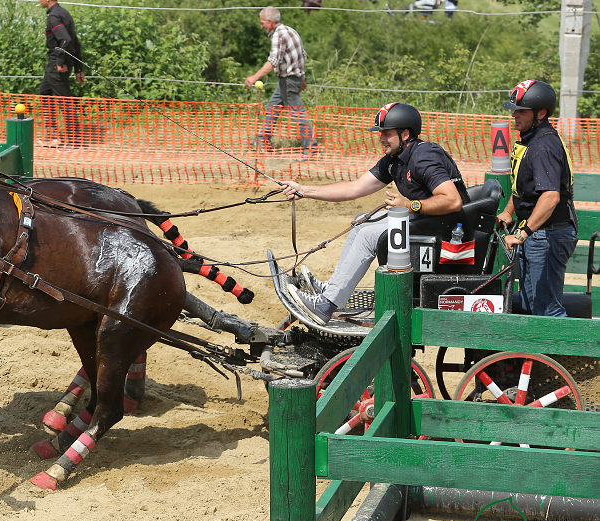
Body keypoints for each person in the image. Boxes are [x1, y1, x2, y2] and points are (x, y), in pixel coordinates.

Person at [281, 103, 469, 324]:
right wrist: (304, 190)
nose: (381, 139)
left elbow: (453, 201)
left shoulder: (424, 157)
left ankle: (325, 306)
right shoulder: (395, 159)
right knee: (362, 221)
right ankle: (333, 290)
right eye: (381, 134)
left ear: (405, 134)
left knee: (369, 235)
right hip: (427, 223)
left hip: (447, 233)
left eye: (387, 134)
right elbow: (354, 188)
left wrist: (410, 205)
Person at [496, 80, 577, 317]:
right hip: (538, 232)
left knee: (546, 310)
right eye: (514, 110)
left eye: (522, 110)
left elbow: (550, 197)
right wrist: (509, 212)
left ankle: (565, 355)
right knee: (533, 306)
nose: (515, 115)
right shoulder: (531, 140)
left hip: (548, 234)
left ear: (541, 113)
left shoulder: (544, 146)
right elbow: (525, 187)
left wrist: (522, 233)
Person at [244, 6, 318, 160]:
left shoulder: (279, 34)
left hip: (289, 80)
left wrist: (254, 77)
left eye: (263, 23)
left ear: (270, 22)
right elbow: (301, 54)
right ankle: (263, 141)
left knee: (298, 114)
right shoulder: (289, 30)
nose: (261, 26)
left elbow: (273, 61)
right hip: (290, 79)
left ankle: (311, 148)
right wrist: (301, 77)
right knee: (273, 108)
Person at [37, 0, 85, 148]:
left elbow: (66, 40)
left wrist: (59, 62)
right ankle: (52, 136)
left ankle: (75, 141)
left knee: (64, 101)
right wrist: (78, 68)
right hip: (60, 63)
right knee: (44, 93)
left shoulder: (54, 16)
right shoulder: (64, 13)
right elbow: (75, 42)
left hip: (57, 64)